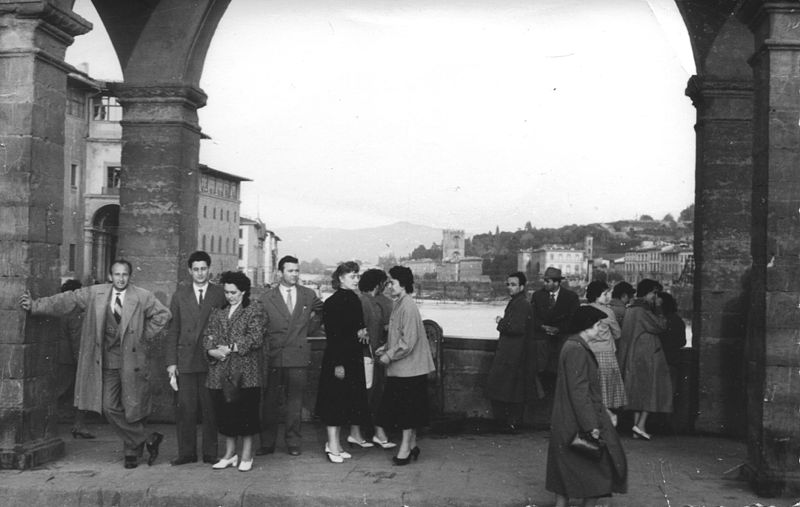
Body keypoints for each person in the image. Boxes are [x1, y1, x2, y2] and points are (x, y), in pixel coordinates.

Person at [19, 260, 171, 469]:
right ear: (110, 276)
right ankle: (145, 438)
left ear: (130, 276)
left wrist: (142, 337)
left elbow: (164, 315)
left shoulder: (142, 296)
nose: (120, 278)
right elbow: (67, 300)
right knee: (108, 407)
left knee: (132, 406)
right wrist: (36, 305)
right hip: (108, 362)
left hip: (133, 361)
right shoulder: (96, 293)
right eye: (117, 274)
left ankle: (131, 452)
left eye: (124, 274)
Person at [546, 306, 627, 507]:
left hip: (567, 421)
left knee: (564, 479)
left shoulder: (572, 346)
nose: (600, 328)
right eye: (597, 324)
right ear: (587, 326)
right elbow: (579, 393)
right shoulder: (577, 349)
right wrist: (592, 426)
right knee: (599, 476)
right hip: (577, 423)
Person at [164, 250, 226, 465]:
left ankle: (210, 453)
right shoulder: (180, 294)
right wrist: (172, 363)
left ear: (209, 270)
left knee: (211, 409)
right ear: (190, 271)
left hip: (211, 360)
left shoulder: (219, 294)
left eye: (204, 269)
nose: (200, 274)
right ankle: (186, 453)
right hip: (186, 360)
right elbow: (173, 330)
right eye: (196, 269)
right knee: (186, 409)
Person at [258, 255, 323, 456]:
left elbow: (322, 311)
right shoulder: (266, 297)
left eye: (296, 271)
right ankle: (267, 444)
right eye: (290, 271)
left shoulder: (308, 294)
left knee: (295, 403)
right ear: (280, 273)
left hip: (298, 356)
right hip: (274, 356)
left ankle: (293, 443)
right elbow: (259, 325)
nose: (294, 274)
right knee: (269, 402)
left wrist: (308, 329)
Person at [203, 271, 263, 472]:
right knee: (226, 415)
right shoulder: (218, 311)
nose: (229, 296)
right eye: (227, 292)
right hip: (221, 372)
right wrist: (212, 350)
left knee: (246, 415)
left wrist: (231, 347)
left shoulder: (254, 310)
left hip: (246, 373)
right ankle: (229, 454)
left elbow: (255, 338)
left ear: (243, 292)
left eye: (234, 292)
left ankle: (247, 454)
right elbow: (209, 335)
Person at [376, 266, 436, 466]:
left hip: (408, 369)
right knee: (408, 410)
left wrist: (388, 356)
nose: (388, 286)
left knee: (405, 413)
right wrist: (384, 348)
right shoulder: (401, 304)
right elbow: (399, 336)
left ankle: (405, 449)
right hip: (407, 368)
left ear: (402, 283)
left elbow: (408, 342)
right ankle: (411, 445)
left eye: (391, 282)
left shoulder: (407, 306)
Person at [315, 262, 372, 463]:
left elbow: (356, 328)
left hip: (352, 356)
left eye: (357, 276)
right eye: (352, 276)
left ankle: (336, 444)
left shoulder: (354, 300)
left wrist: (362, 333)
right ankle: (332, 445)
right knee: (335, 402)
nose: (356, 280)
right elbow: (334, 336)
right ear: (340, 278)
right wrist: (338, 364)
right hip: (339, 358)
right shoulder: (333, 302)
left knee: (344, 401)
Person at [617, 279, 670, 440]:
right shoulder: (643, 311)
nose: (655, 297)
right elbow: (661, 326)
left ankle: (637, 428)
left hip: (634, 354)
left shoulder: (631, 309)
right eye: (654, 293)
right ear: (647, 293)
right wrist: (660, 308)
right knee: (651, 390)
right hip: (647, 354)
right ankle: (641, 425)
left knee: (637, 392)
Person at [486, 271, 534, 433]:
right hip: (513, 352)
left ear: (521, 287)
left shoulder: (521, 304)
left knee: (512, 390)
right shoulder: (519, 302)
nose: (509, 287)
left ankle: (510, 423)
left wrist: (501, 322)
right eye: (508, 284)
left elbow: (517, 328)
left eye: (513, 285)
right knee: (512, 389)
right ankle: (511, 422)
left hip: (513, 353)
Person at [356, 268, 395, 448]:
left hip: (369, 354)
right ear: (378, 284)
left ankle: (369, 431)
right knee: (375, 394)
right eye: (384, 283)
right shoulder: (372, 302)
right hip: (371, 355)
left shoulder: (364, 300)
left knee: (371, 394)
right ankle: (376, 432)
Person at [530, 267, 580, 394]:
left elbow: (574, 321)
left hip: (561, 343)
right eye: (544, 281)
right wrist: (542, 327)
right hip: (542, 345)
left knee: (559, 377)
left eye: (548, 281)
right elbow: (531, 317)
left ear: (557, 282)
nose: (544, 283)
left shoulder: (571, 297)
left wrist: (558, 329)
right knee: (543, 377)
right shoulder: (537, 296)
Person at [584, 281, 626, 426]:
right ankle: (607, 420)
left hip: (588, 353)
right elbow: (618, 333)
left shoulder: (584, 310)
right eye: (605, 294)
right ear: (597, 295)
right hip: (606, 354)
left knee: (591, 389)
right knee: (606, 390)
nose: (608, 296)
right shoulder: (608, 312)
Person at [56, 279, 95, 439]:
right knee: (80, 391)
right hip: (70, 360)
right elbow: (76, 338)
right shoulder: (74, 310)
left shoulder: (57, 308)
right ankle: (79, 425)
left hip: (57, 358)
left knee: (59, 392)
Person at [656, 291, 687, 419]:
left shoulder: (660, 320)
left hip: (660, 359)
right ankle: (667, 421)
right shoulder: (678, 320)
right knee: (670, 393)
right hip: (673, 359)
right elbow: (682, 341)